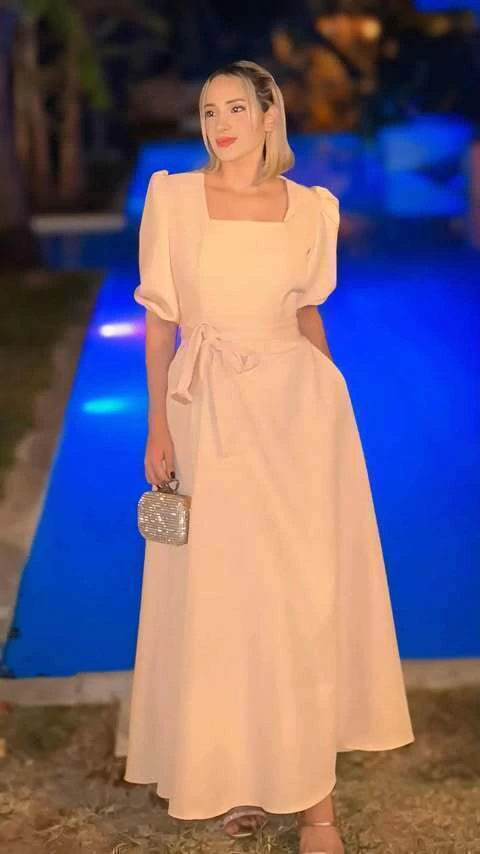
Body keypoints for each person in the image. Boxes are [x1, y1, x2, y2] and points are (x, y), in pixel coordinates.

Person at [124, 59, 415, 854]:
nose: (220, 124)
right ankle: (234, 773)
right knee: (224, 599)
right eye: (208, 110)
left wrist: (332, 401)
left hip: (298, 416)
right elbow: (160, 321)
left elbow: (308, 311)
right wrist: (158, 426)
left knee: (300, 597)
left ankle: (318, 810)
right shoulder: (174, 199)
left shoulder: (311, 209)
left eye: (235, 108)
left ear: (267, 116)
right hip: (206, 411)